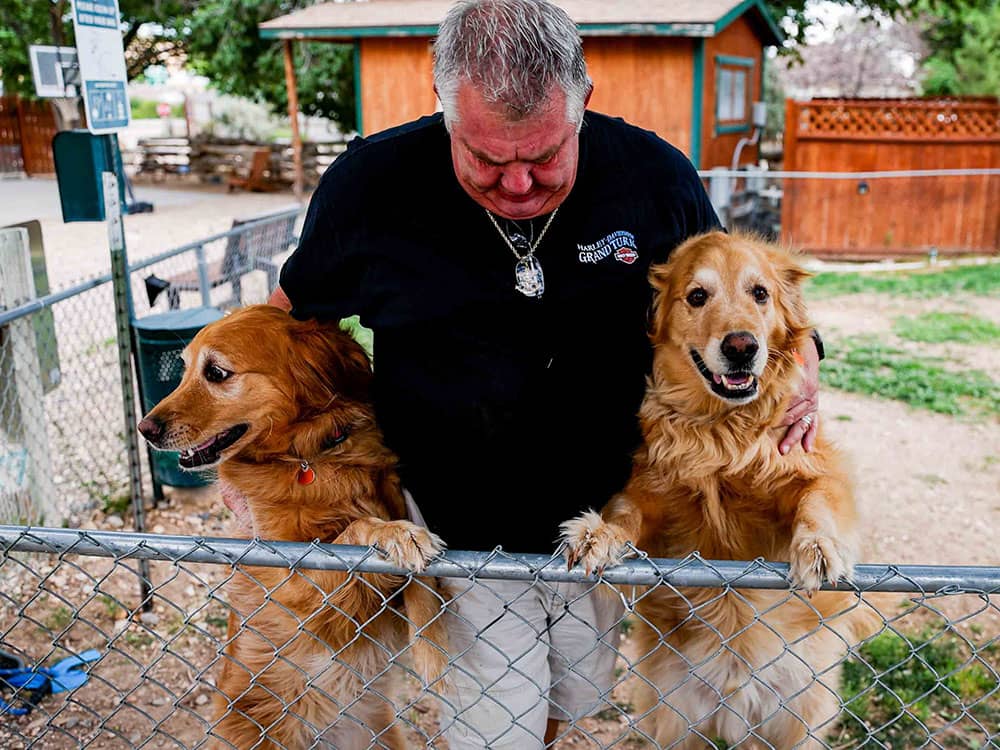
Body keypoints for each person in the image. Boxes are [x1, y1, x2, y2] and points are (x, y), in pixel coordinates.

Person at [269, 0, 821, 746]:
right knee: (499, 721)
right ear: (444, 108)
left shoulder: (654, 176)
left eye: (544, 156)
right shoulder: (370, 186)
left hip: (605, 515)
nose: (520, 185)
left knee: (570, 692)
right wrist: (268, 460)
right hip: (458, 519)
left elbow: (739, 287)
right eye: (487, 161)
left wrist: (805, 365)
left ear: (582, 101)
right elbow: (285, 329)